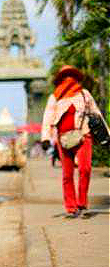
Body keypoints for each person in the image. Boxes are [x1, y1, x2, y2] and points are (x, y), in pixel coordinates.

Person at [41, 65, 109, 218]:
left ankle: (82, 203)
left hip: (84, 135)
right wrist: (45, 138)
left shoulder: (84, 94)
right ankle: (71, 207)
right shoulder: (55, 97)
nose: (68, 79)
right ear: (60, 79)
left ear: (76, 77)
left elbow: (96, 113)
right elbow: (48, 117)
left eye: (71, 75)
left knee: (85, 169)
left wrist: (107, 135)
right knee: (67, 174)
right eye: (65, 76)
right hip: (63, 139)